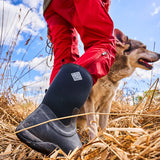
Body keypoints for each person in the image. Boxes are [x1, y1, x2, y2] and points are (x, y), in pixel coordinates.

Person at [16, 0, 116, 155]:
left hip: (51, 5)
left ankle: (50, 122)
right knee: (103, 43)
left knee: (65, 58)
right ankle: (58, 120)